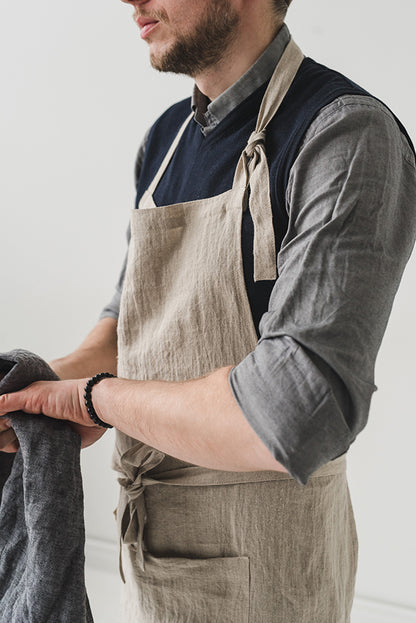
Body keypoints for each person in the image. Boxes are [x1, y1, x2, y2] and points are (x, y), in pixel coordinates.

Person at [1, 0, 415, 621]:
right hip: (149, 562)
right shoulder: (165, 140)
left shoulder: (345, 133)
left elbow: (293, 411)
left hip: (269, 574)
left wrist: (92, 400)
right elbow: (124, 330)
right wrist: (27, 394)